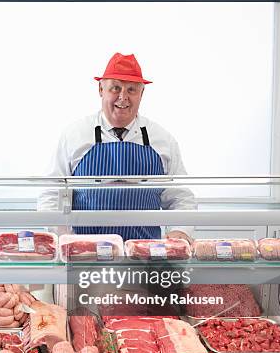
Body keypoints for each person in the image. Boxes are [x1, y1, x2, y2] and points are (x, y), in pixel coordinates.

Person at [38, 53, 196, 242]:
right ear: (101, 89)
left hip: (146, 257)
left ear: (141, 94)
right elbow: (51, 193)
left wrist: (181, 232)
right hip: (85, 255)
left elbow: (181, 197)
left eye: (131, 90)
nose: (123, 97)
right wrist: (62, 237)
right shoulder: (74, 135)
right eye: (115, 88)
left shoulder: (162, 139)